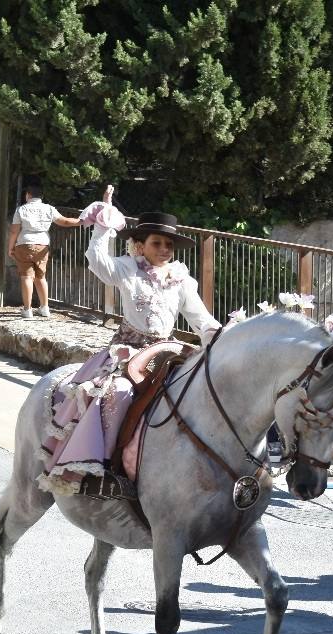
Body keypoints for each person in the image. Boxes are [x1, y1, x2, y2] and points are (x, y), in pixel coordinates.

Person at [39, 186, 221, 498]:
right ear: (140, 245)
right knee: (118, 392)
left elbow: (201, 320)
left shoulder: (182, 279)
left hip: (167, 350)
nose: (164, 249)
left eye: (168, 244)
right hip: (128, 351)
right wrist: (103, 226)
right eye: (157, 243)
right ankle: (106, 468)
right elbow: (97, 261)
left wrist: (222, 335)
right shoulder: (126, 269)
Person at [7, 181, 81, 319]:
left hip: (24, 244)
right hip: (42, 245)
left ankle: (27, 310)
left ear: (28, 195)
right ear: (42, 196)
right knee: (41, 277)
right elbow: (64, 221)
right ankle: (45, 308)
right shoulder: (49, 208)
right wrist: (81, 221)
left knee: (27, 277)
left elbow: (14, 231)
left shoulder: (21, 210)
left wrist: (10, 247)